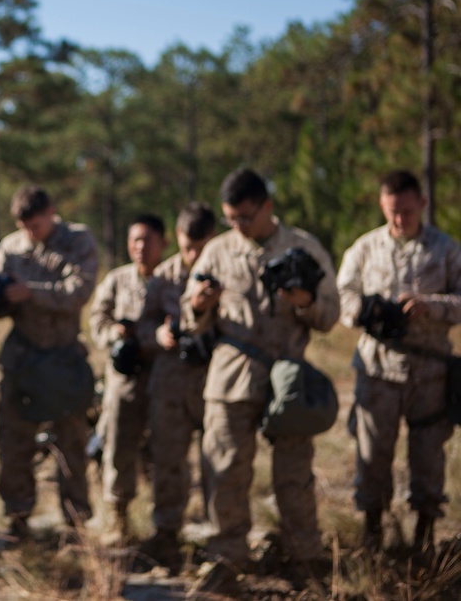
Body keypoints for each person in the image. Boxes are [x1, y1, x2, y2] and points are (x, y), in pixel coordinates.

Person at [180, 168, 339, 593]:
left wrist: (305, 301)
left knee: (294, 472)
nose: (238, 226)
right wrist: (198, 305)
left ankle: (304, 557)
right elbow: (189, 319)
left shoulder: (303, 246)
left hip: (287, 378)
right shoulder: (216, 250)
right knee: (225, 470)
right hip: (231, 375)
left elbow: (330, 314)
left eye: (245, 217)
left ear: (267, 206)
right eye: (231, 218)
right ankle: (227, 558)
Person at [336, 169, 461, 563]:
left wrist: (431, 306)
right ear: (382, 205)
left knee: (427, 456)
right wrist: (366, 310)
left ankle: (423, 539)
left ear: (421, 204)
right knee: (372, 454)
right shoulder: (365, 248)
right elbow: (341, 296)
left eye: (406, 212)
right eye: (392, 212)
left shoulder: (445, 249)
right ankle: (373, 535)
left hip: (430, 372)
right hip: (377, 370)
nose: (399, 221)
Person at [0, 185, 98, 536]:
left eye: (35, 225)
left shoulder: (78, 241)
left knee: (71, 445)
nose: (29, 234)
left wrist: (30, 292)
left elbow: (79, 291)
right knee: (14, 441)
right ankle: (18, 516)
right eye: (23, 227)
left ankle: (76, 522)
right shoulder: (11, 246)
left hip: (63, 358)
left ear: (52, 212)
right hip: (22, 358)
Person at [135, 202, 217, 566]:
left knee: (220, 462)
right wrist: (158, 336)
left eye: (202, 247)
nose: (195, 256)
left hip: (215, 382)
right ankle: (167, 533)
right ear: (178, 240)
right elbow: (139, 327)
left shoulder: (225, 270)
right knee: (167, 459)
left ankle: (220, 536)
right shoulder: (164, 277)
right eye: (188, 248)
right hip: (169, 382)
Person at [88, 214, 167, 543]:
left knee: (164, 450)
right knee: (118, 447)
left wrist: (146, 336)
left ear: (163, 243)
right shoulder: (117, 280)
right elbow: (97, 320)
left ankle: (164, 523)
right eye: (135, 240)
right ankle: (118, 521)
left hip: (162, 377)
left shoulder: (172, 280)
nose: (140, 247)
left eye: (147, 240)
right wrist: (115, 334)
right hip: (123, 379)